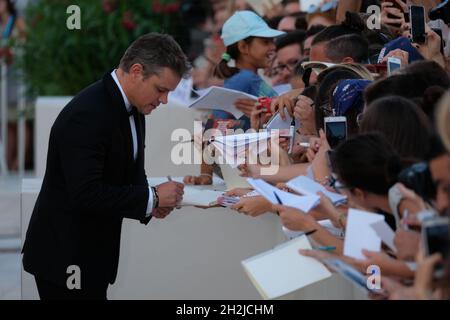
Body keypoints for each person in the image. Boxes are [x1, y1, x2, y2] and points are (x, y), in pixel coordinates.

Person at [22, 33, 190, 300]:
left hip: (92, 257)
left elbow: (126, 171)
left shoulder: (133, 105)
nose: (164, 100)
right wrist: (152, 196)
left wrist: (151, 204)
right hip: (65, 259)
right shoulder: (88, 114)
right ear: (137, 71)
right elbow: (86, 193)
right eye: (161, 89)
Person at [184, 10, 284, 185]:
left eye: (272, 41)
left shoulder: (246, 78)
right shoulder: (243, 79)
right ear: (243, 47)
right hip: (252, 169)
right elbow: (216, 126)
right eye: (265, 42)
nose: (272, 47)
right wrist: (206, 175)